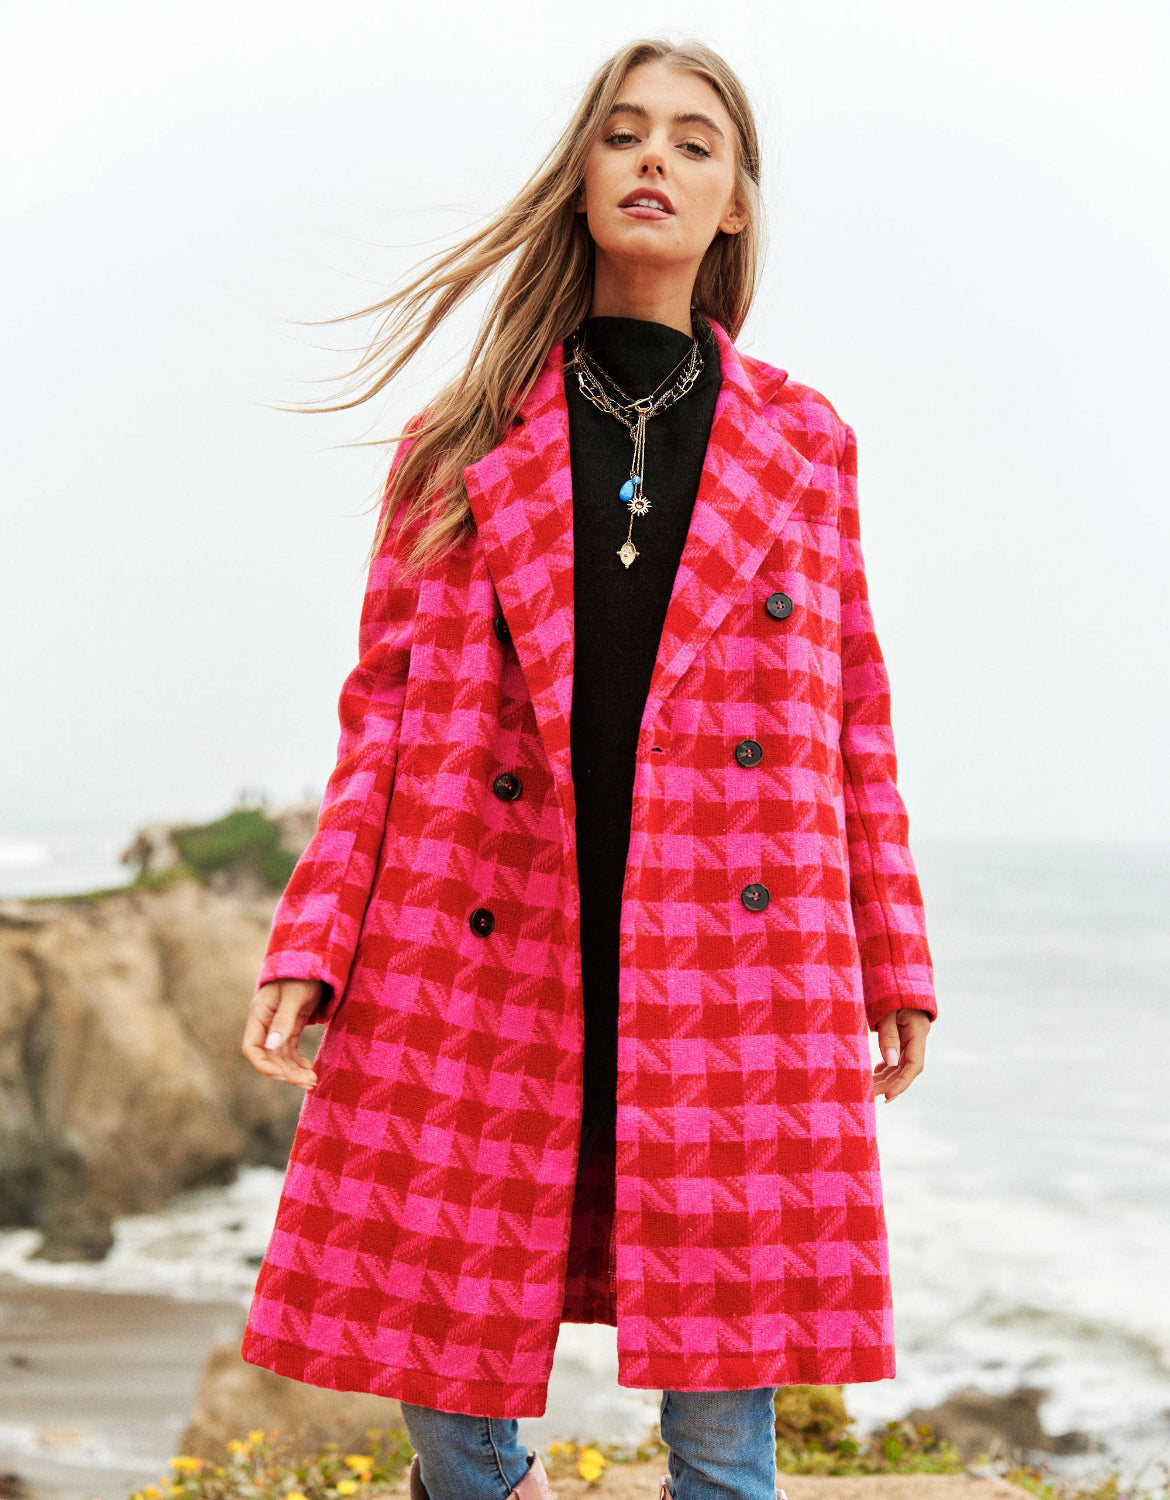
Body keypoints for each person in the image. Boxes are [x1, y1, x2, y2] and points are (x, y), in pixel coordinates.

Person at [239, 35, 937, 1500]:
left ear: (735, 201)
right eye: (623, 134)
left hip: (730, 952)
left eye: (693, 140)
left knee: (725, 1411)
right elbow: (383, 708)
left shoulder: (804, 443)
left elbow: (850, 709)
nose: (653, 160)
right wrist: (315, 938)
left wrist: (893, 956)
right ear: (579, 176)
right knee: (446, 1358)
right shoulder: (457, 440)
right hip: (483, 927)